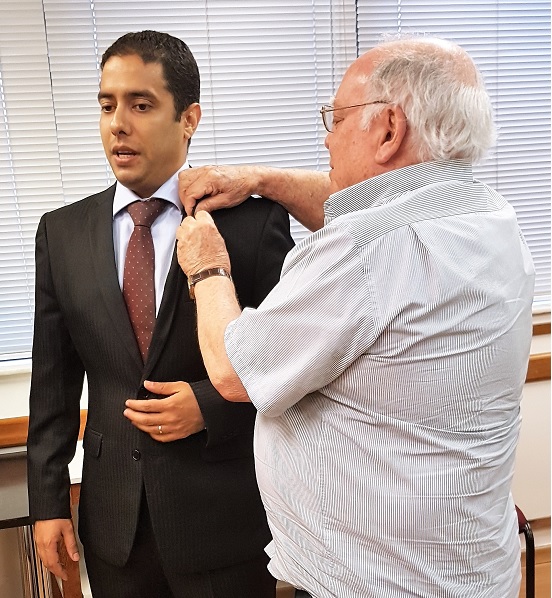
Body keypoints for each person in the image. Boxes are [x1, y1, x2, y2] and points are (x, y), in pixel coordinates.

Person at [172, 36, 536, 597]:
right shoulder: (488, 214)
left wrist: (207, 267)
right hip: (471, 570)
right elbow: (376, 208)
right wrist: (261, 180)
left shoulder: (366, 251)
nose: (326, 137)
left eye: (337, 118)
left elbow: (232, 370)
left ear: (388, 129)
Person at [27, 30, 294, 598]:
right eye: (107, 106)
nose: (118, 124)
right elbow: (53, 383)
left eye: (141, 105)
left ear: (188, 118)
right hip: (114, 525)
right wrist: (46, 503)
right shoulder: (61, 233)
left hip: (223, 521)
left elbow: (290, 365)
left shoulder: (253, 225)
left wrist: (210, 406)